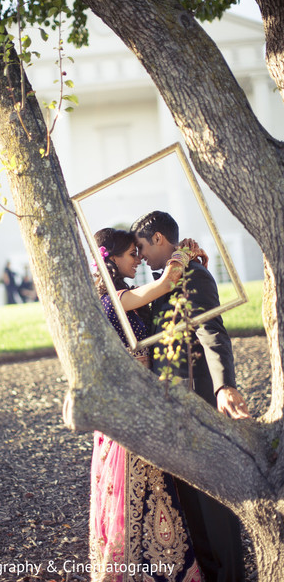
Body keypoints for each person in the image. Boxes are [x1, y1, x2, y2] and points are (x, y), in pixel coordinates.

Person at [131, 211, 250, 582]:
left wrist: (223, 386)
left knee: (211, 500)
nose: (140, 257)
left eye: (142, 247)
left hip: (195, 397)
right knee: (191, 502)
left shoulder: (195, 276)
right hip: (170, 406)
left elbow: (212, 331)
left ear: (160, 239)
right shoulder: (166, 280)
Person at [90, 227, 202, 582]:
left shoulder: (114, 295)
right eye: (132, 254)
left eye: (138, 253)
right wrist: (182, 254)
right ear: (111, 260)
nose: (138, 260)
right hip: (132, 407)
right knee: (142, 485)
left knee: (154, 486)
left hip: (140, 402)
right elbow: (165, 284)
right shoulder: (113, 299)